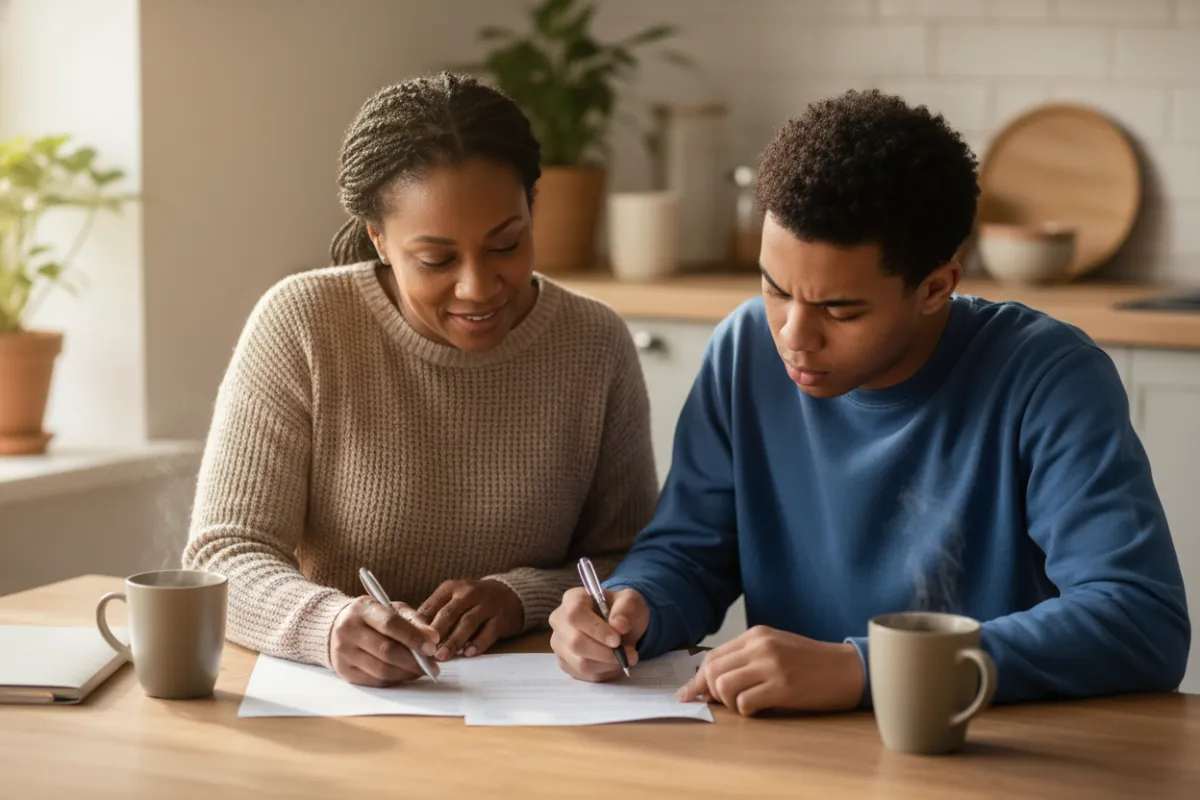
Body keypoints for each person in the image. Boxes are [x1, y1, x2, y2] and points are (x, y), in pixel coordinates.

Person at [549, 89, 1190, 715]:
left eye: (840, 309)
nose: (793, 337)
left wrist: (868, 668)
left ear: (936, 285)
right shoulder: (744, 350)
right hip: (801, 753)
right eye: (775, 290)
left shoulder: (1049, 378)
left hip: (988, 754)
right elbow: (689, 553)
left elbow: (1139, 619)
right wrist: (635, 604)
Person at [183, 72, 658, 687]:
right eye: (436, 260)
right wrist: (326, 625)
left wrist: (520, 598)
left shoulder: (595, 343)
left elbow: (635, 561)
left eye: (506, 244)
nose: (478, 287)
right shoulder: (303, 323)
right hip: (344, 710)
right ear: (379, 238)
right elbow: (223, 553)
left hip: (537, 711)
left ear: (531, 208)